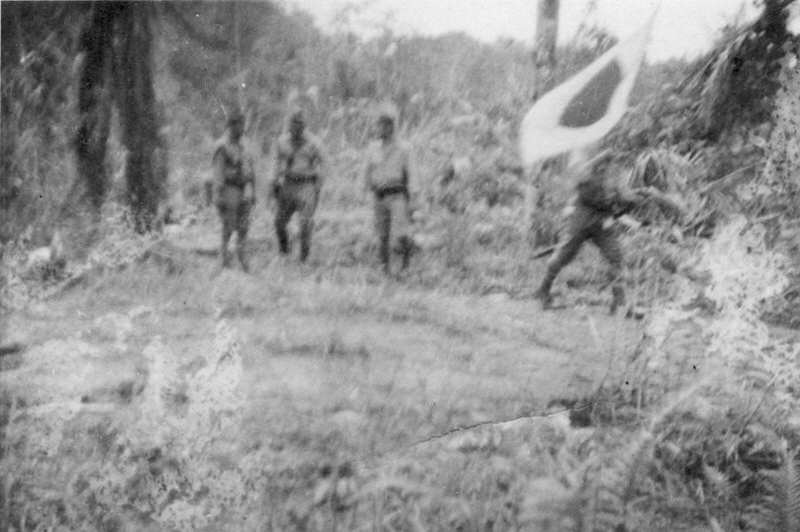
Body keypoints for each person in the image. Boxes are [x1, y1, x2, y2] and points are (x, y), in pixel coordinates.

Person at [533, 147, 654, 314]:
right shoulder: (588, 172)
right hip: (580, 218)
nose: (618, 169)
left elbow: (620, 205)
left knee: (615, 258)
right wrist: (601, 158)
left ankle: (619, 303)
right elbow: (578, 177)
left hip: (602, 223)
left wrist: (641, 202)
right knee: (562, 255)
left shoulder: (616, 181)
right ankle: (543, 290)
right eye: (614, 164)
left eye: (621, 166)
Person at [362, 107, 415, 275]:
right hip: (379, 196)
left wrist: (414, 198)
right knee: (382, 236)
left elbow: (413, 174)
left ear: (390, 126)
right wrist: (363, 190)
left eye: (381, 125)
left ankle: (402, 269)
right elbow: (366, 171)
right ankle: (384, 271)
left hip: (398, 196)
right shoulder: (372, 148)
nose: (377, 129)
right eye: (377, 125)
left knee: (399, 236)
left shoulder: (404, 148)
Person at [269, 108, 325, 263]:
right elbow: (275, 163)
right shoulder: (282, 141)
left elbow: (324, 163)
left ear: (304, 125)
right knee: (279, 222)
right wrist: (273, 182)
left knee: (305, 223)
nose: (296, 127)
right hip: (287, 184)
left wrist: (318, 185)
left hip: (306, 185)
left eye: (299, 124)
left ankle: (304, 258)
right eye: (293, 123)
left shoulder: (314, 142)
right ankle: (284, 252)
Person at [212, 107, 255, 271]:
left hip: (244, 190)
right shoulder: (222, 147)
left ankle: (243, 258)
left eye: (243, 125)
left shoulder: (244, 144)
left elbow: (250, 167)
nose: (242, 128)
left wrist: (253, 192)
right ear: (231, 126)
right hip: (229, 190)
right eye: (239, 125)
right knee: (228, 227)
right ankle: (223, 260)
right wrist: (218, 195)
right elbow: (218, 173)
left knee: (244, 227)